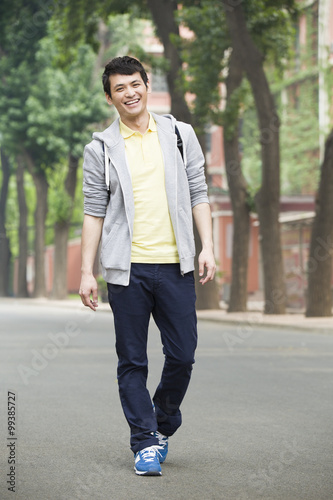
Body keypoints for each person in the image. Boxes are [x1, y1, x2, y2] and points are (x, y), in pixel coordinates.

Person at [79, 56, 216, 476]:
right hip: (128, 270)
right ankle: (144, 443)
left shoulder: (179, 134)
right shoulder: (100, 147)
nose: (129, 93)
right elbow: (93, 211)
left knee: (183, 355)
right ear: (110, 97)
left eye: (135, 84)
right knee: (132, 360)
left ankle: (161, 421)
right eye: (120, 88)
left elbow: (198, 190)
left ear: (147, 85)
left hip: (175, 266)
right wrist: (87, 270)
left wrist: (206, 246)